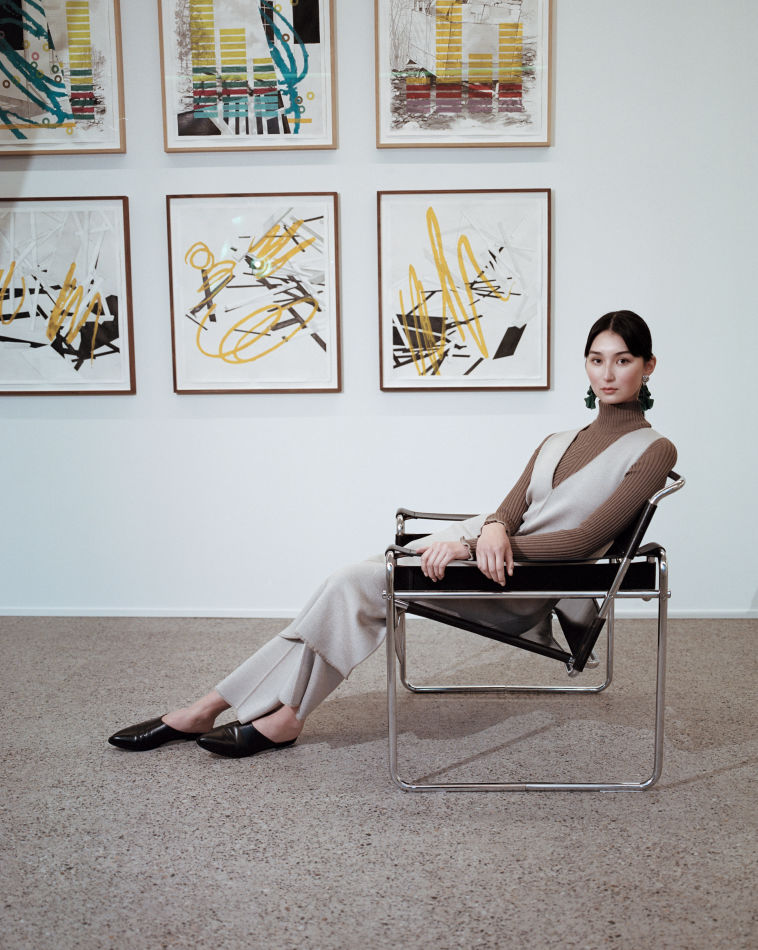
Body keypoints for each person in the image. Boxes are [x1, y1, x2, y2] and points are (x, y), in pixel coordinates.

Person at [109, 310, 677, 758]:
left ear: (648, 366)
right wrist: (490, 531)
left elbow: (582, 542)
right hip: (487, 557)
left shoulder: (654, 450)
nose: (607, 374)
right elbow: (506, 509)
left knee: (351, 584)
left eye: (623, 360)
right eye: (596, 360)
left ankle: (212, 709)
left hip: (521, 581)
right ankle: (273, 717)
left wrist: (476, 545)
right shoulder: (557, 440)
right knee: (351, 589)